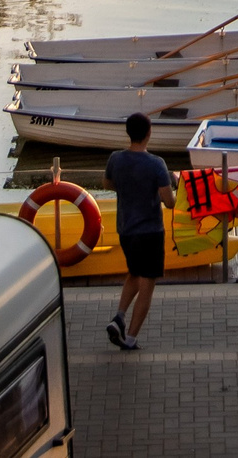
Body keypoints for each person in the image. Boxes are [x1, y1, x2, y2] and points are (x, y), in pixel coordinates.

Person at [105, 112, 176, 351]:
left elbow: (108, 184)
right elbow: (170, 202)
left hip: (125, 229)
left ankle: (119, 317)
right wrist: (172, 182)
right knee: (147, 284)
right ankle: (131, 339)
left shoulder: (115, 159)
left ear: (128, 132)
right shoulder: (157, 164)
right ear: (149, 133)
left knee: (134, 273)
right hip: (151, 232)